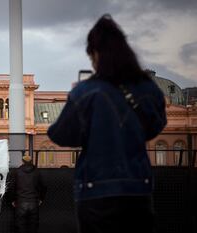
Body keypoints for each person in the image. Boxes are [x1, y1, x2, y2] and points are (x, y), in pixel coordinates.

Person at [47, 14, 166, 233]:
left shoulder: (85, 92)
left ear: (95, 54)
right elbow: (155, 126)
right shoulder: (148, 88)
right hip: (138, 187)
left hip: (96, 191)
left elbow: (59, 135)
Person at [9, 155, 47, 233]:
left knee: (20, 226)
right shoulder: (37, 172)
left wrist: (13, 199)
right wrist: (41, 199)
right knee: (33, 227)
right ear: (31, 161)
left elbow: (12, 187)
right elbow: (44, 186)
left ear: (22, 161)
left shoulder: (17, 172)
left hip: (20, 202)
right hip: (33, 202)